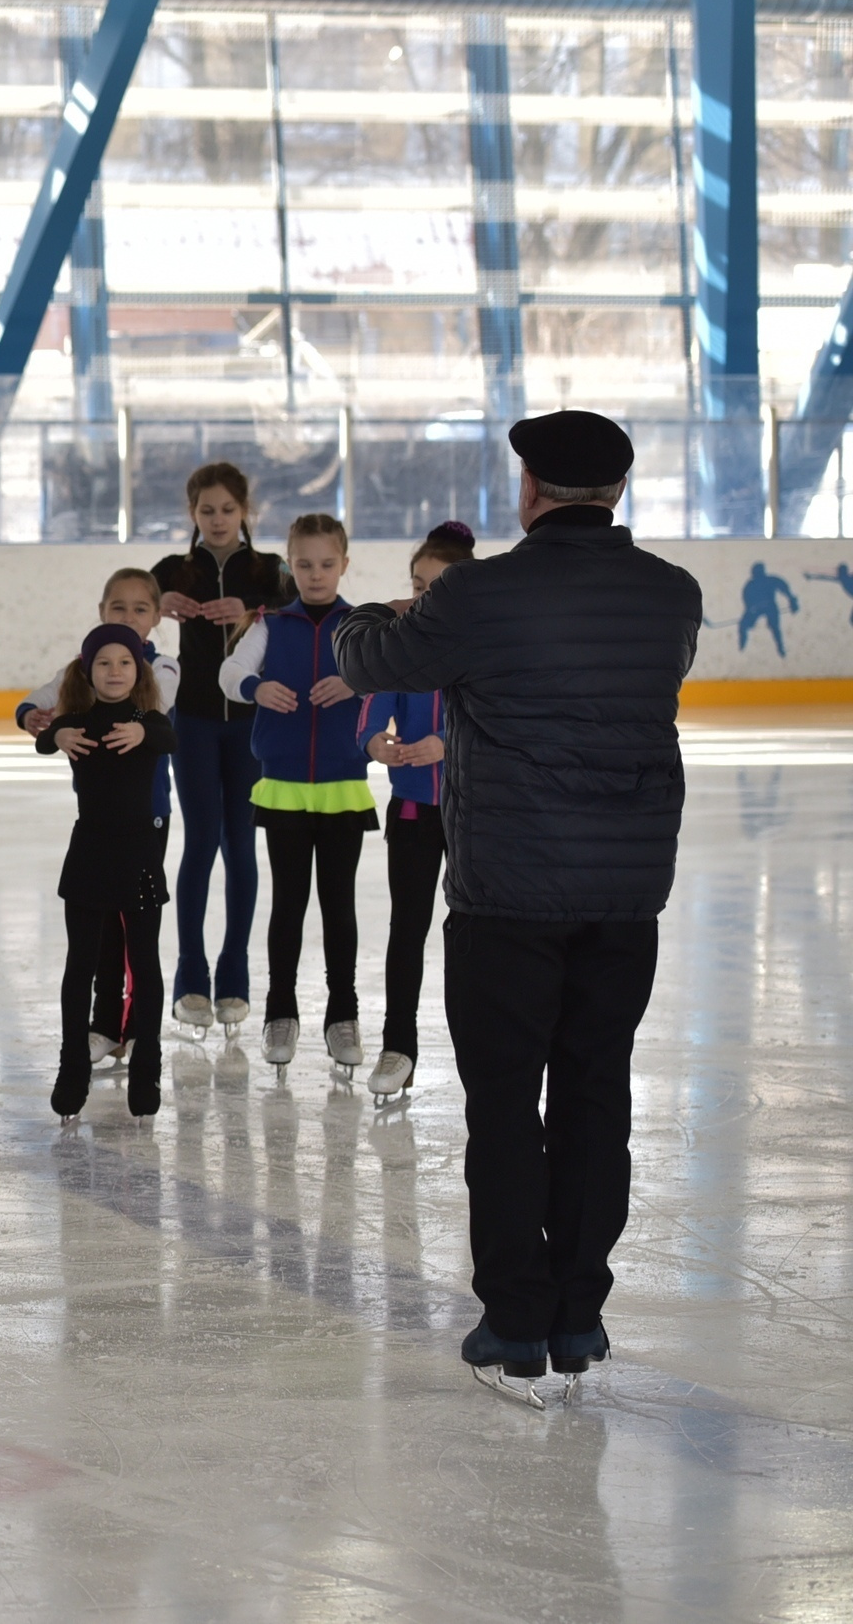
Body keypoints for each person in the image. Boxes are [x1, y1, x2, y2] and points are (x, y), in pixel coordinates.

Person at [336, 408, 699, 1403]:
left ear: (530, 489)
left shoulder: (477, 594)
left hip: (506, 892)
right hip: (622, 891)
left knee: (504, 1102)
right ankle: (579, 1314)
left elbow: (376, 663)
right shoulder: (671, 595)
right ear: (615, 491)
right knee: (594, 1089)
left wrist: (366, 613)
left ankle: (513, 1326)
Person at [218, 511, 373, 1074]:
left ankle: (343, 1014)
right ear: (291, 564)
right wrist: (258, 687)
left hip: (340, 788)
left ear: (343, 565)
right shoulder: (269, 625)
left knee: (339, 905)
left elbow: (392, 675)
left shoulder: (359, 625)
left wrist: (357, 680)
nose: (315, 574)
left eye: (326, 564)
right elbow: (229, 673)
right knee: (288, 904)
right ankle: (279, 1012)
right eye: (304, 564)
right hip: (283, 786)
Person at [18, 567, 181, 1069]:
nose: (129, 617)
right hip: (96, 826)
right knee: (101, 935)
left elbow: (160, 713)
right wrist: (41, 721)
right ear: (101, 611)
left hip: (148, 817)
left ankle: (135, 1028)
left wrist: (134, 724)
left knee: (137, 937)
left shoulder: (161, 667)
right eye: (118, 608)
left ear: (156, 617)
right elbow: (36, 704)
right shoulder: (88, 667)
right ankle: (104, 1024)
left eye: (139, 609)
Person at [152, 462, 291, 1038]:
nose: (216, 520)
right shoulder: (173, 569)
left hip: (251, 727)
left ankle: (235, 974)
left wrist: (253, 610)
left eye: (227, 510)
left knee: (241, 844)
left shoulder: (270, 571)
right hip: (197, 724)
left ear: (245, 512)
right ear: (192, 513)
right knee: (200, 842)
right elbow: (131, 599)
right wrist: (161, 603)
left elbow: (298, 612)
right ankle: (190, 974)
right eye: (206, 511)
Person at [355, 521, 477, 1102]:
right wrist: (375, 741)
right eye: (417, 583)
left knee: (478, 933)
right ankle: (398, 1047)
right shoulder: (401, 641)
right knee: (408, 929)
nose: (423, 596)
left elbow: (502, 718)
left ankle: (487, 1051)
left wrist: (448, 744)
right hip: (412, 811)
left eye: (437, 586)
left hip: (476, 810)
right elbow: (373, 700)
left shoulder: (486, 645)